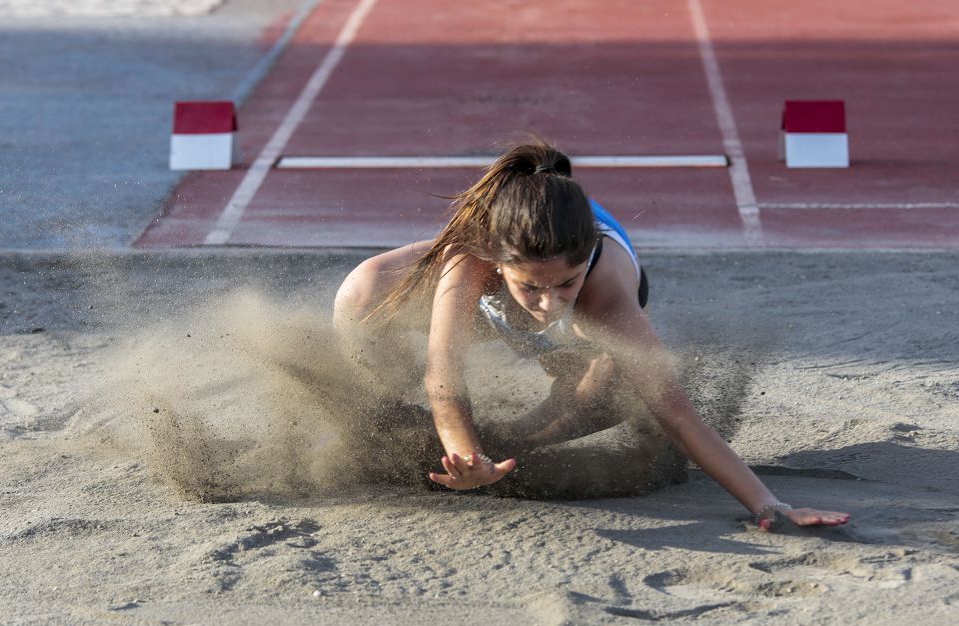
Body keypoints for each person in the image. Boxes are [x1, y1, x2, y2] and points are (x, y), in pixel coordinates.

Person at [333, 141, 849, 530]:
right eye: (531, 287)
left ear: (584, 265)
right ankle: (378, 411)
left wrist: (769, 505)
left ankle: (515, 445)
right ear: (496, 262)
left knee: (606, 398)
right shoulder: (470, 258)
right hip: (491, 296)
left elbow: (676, 412)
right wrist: (463, 451)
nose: (548, 302)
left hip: (586, 329)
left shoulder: (604, 295)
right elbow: (443, 378)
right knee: (361, 294)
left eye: (565, 283)